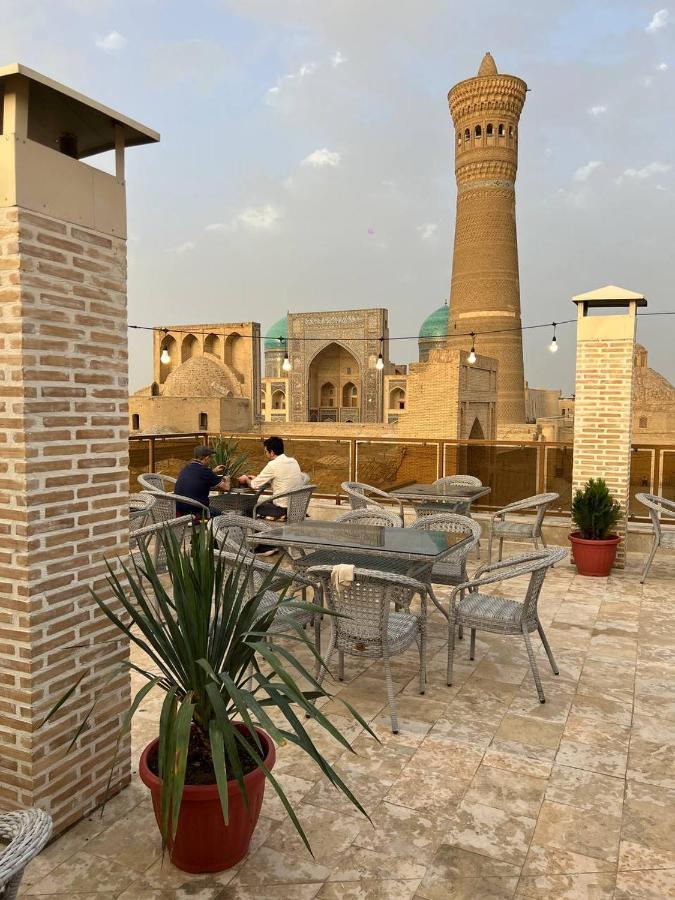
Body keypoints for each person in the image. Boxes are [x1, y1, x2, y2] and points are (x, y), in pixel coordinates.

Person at [238, 436, 304, 519]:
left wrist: (246, 478)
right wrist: (257, 478)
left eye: (266, 452)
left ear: (272, 452)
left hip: (282, 509)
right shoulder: (293, 461)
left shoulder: (273, 465)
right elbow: (281, 479)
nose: (266, 454)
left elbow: (254, 485)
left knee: (248, 508)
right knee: (265, 503)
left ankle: (258, 531)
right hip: (296, 508)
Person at [174, 445, 229, 518]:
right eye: (210, 458)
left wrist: (213, 471)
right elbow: (226, 488)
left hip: (179, 508)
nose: (211, 460)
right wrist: (227, 479)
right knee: (220, 514)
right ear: (206, 458)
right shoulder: (206, 472)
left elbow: (197, 475)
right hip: (196, 510)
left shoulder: (186, 468)